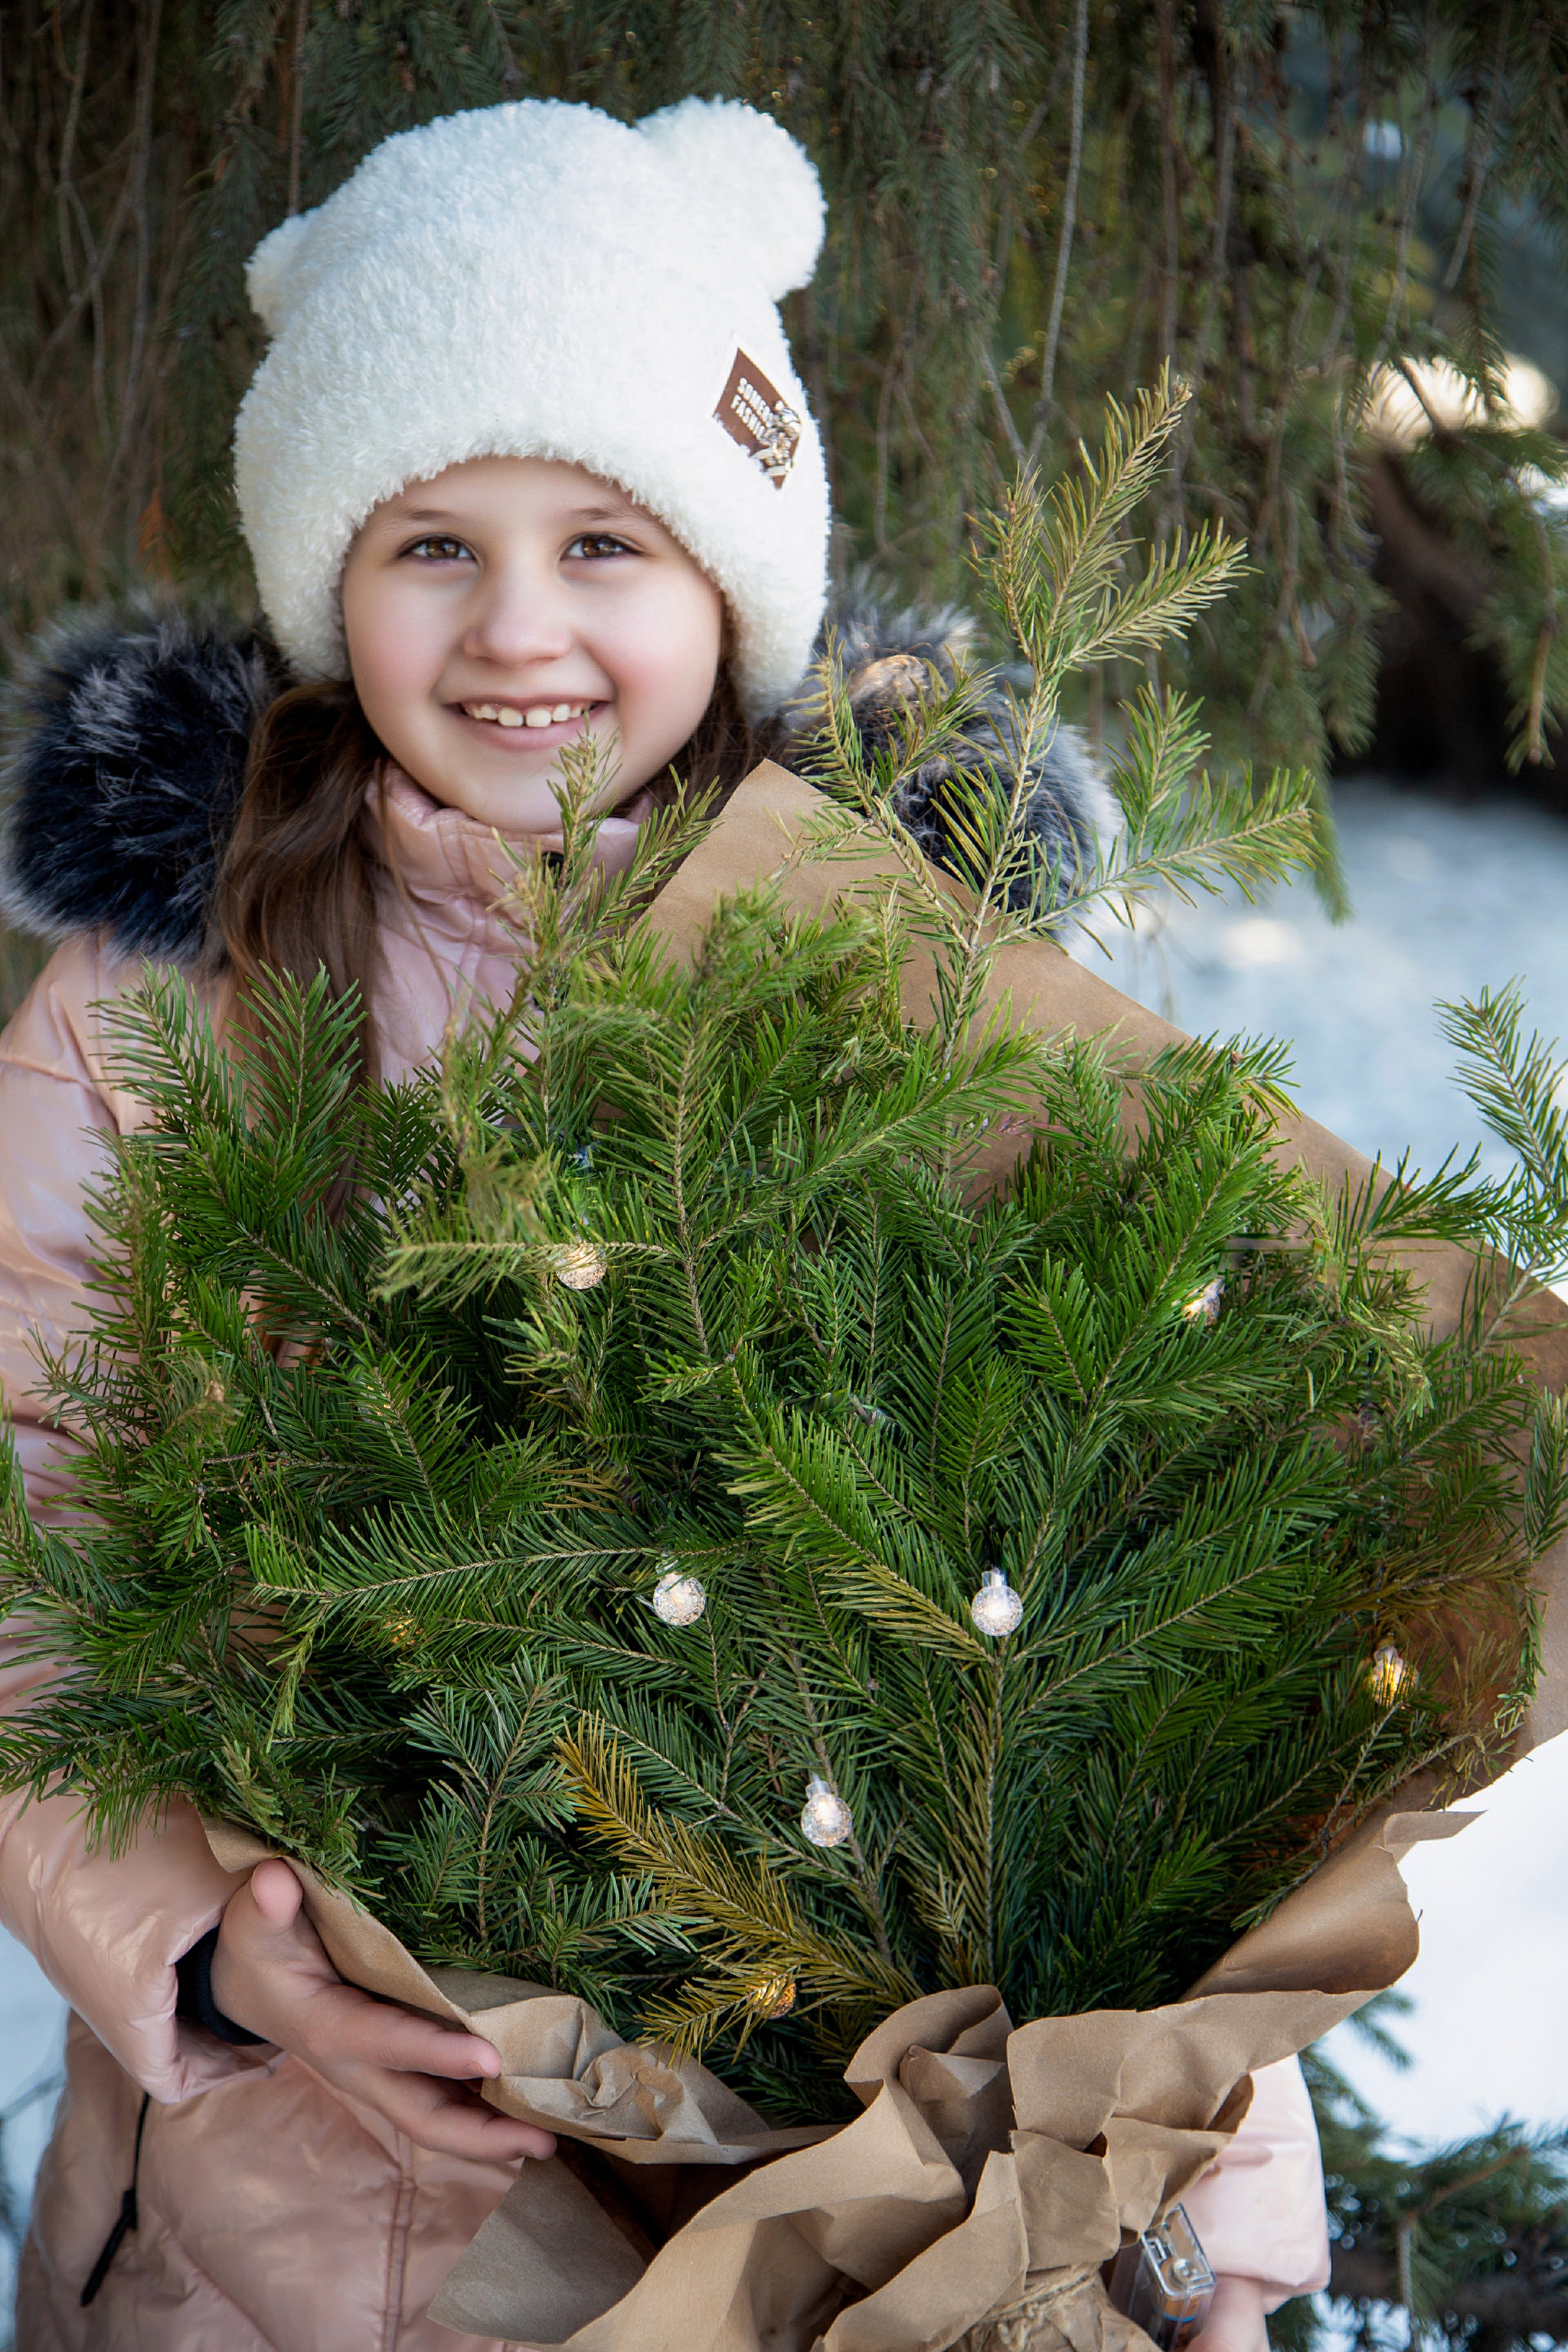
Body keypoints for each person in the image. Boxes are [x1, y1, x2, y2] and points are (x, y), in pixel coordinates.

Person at [0, 96, 1328, 2352]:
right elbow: (25, 1525)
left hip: (897, 2184)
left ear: (737, 574)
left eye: (607, 541)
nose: (521, 633)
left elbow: (1169, 1639)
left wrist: (1202, 2199)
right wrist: (206, 1952)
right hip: (343, 2198)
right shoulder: (165, 1000)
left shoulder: (926, 988)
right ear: (328, 574)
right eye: (433, 543)